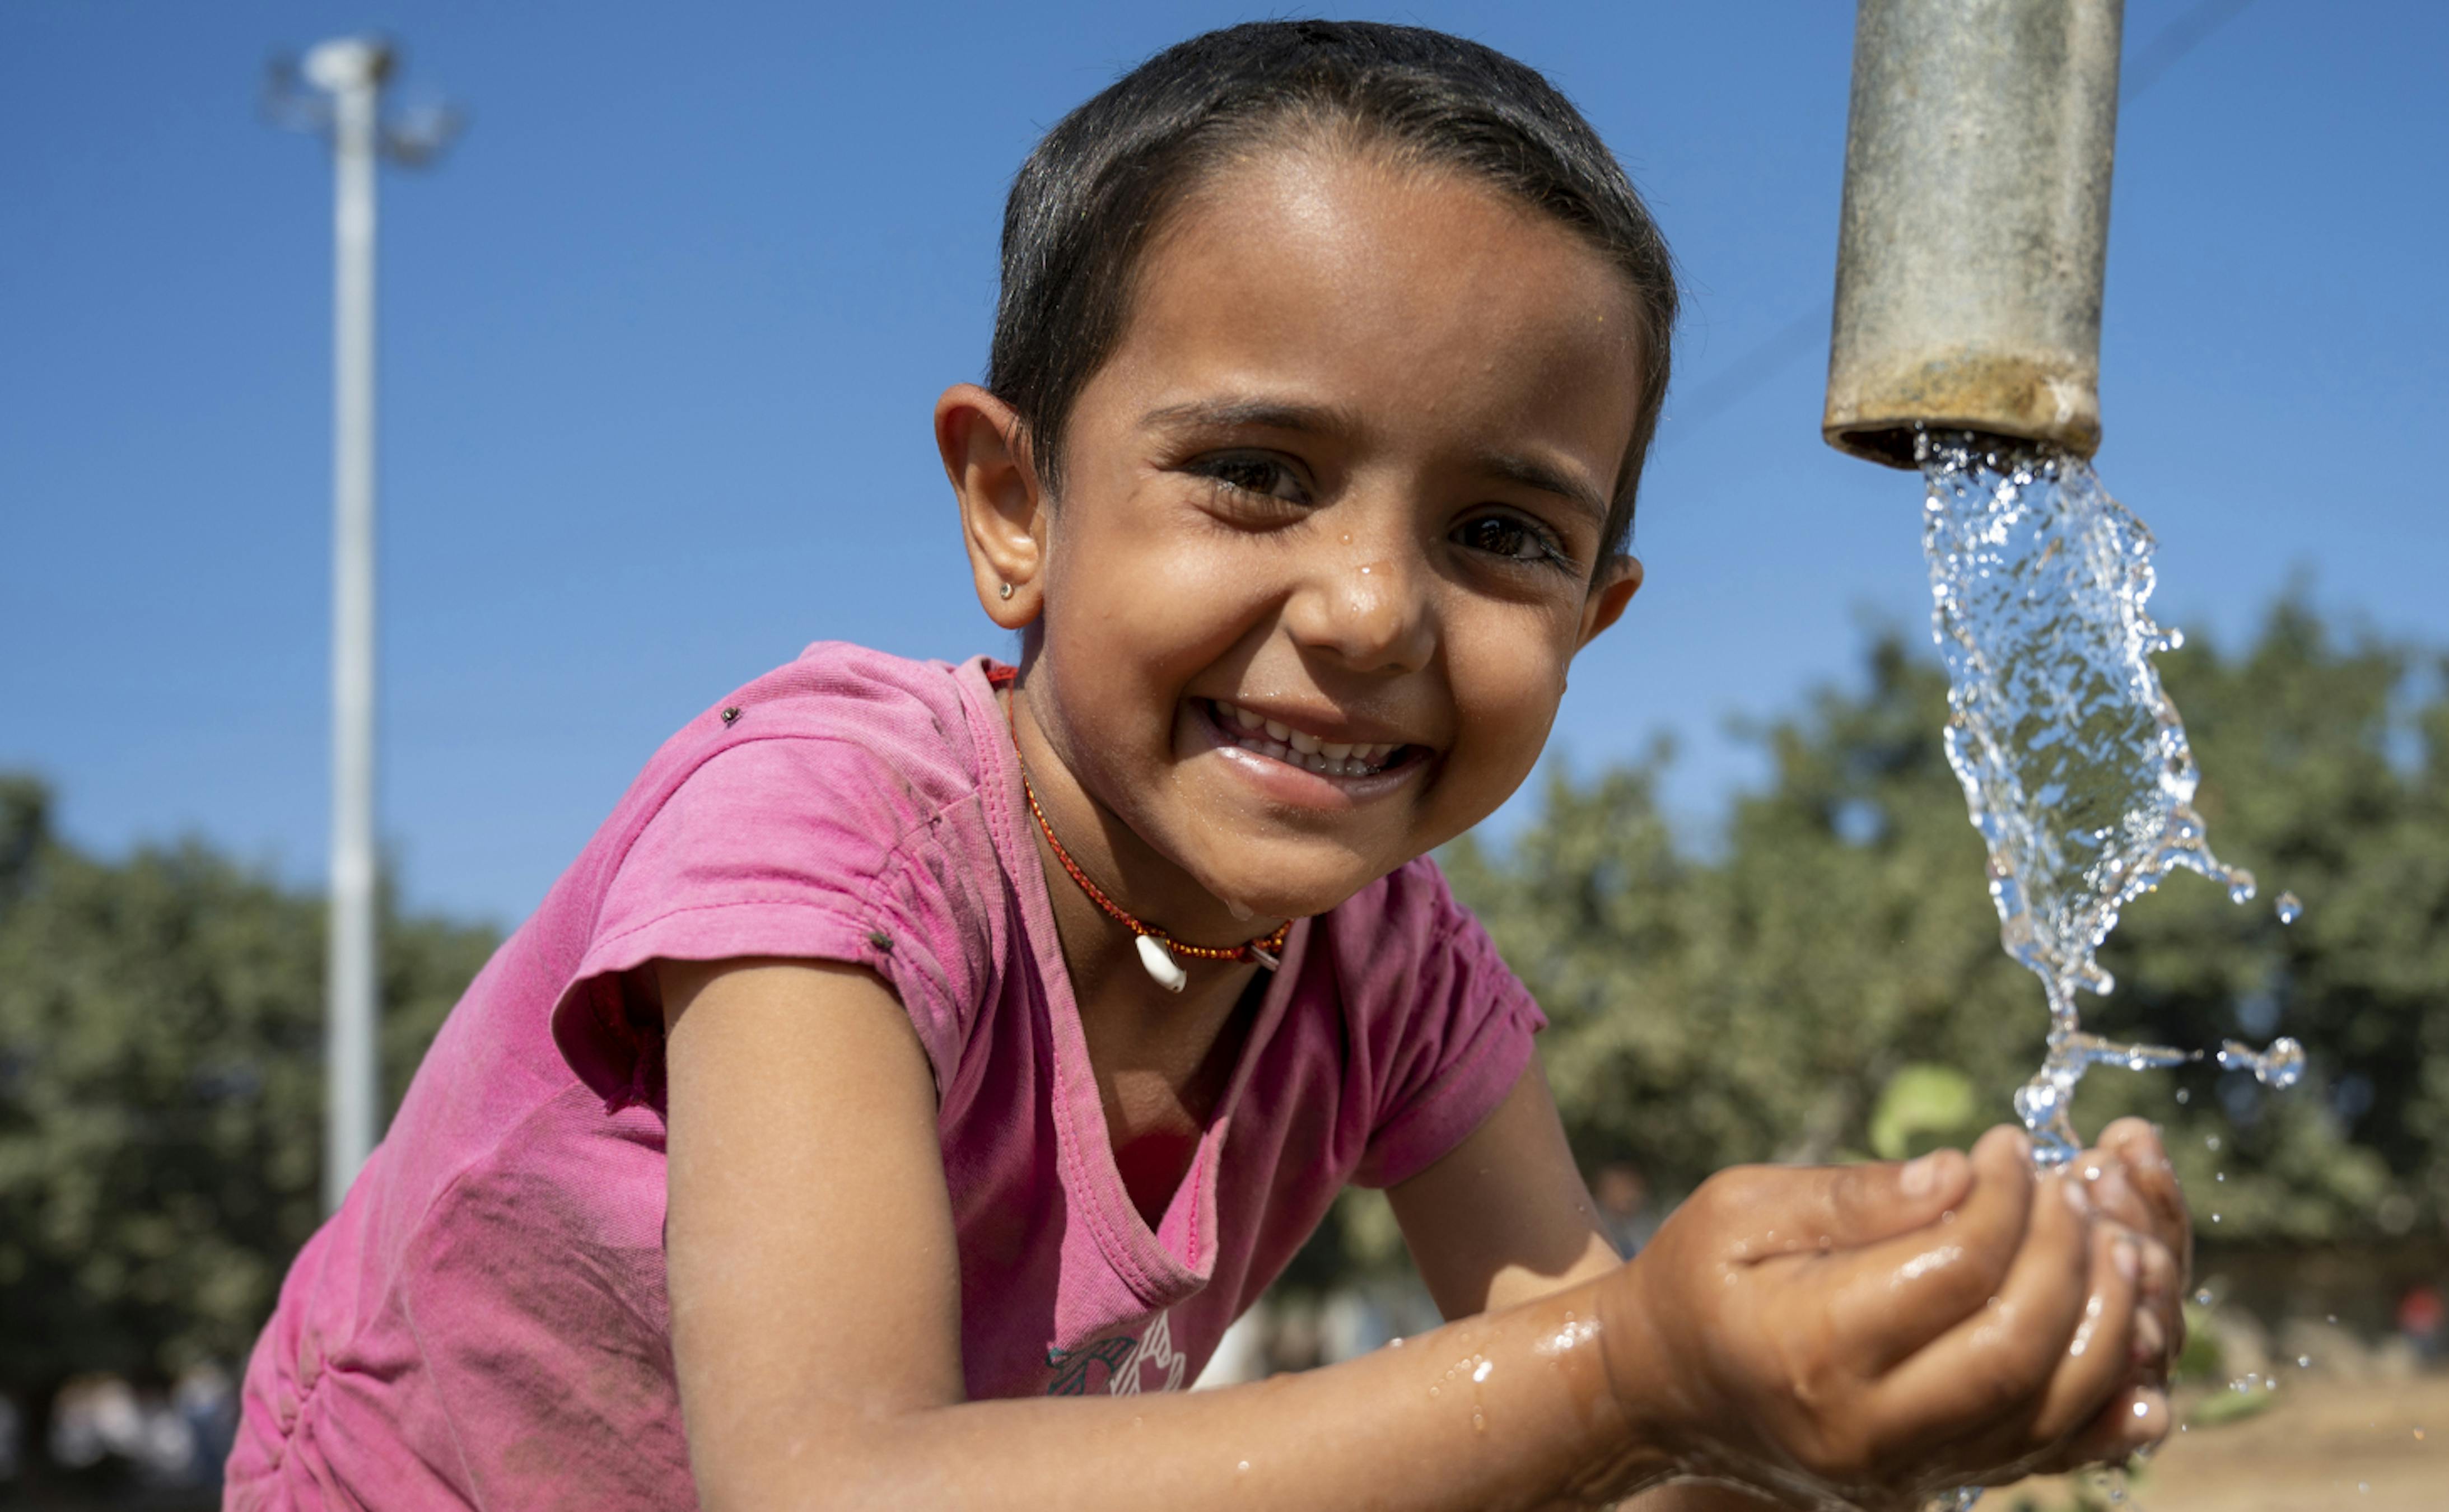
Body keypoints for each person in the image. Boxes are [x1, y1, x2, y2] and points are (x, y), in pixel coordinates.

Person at [225, 21, 2192, 1510]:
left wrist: (1900, 1356)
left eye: (1504, 532)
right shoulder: (826, 832)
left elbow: (1619, 1425)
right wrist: (1637, 1362)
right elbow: (835, 1482)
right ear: (1013, 506)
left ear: (1595, 616)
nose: (1367, 610)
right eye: (1256, 475)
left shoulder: (1397, 978)